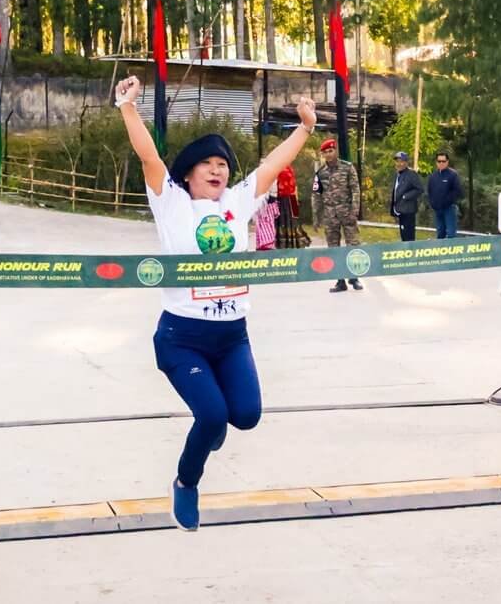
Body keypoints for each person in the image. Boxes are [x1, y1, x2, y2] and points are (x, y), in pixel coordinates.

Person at [113, 74, 318, 532]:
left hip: (232, 337)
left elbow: (272, 165)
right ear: (187, 174)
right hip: (182, 337)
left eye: (222, 163)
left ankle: (215, 426)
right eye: (206, 163)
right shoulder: (172, 204)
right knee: (211, 415)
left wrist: (305, 127)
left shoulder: (237, 202)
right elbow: (149, 156)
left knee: (245, 416)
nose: (216, 170)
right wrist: (128, 106)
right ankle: (186, 482)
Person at [313, 138, 362, 292]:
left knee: (353, 245)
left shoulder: (347, 168)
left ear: (336, 151)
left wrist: (355, 211)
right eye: (325, 152)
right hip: (330, 215)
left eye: (331, 151)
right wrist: (316, 217)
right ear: (323, 154)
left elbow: (355, 190)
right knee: (333, 248)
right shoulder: (320, 173)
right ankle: (340, 281)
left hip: (347, 212)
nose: (328, 154)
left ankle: (354, 277)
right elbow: (316, 195)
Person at [427, 151, 463, 239]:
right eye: (439, 161)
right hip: (437, 209)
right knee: (440, 233)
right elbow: (429, 191)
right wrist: (433, 204)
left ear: (447, 162)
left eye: (443, 161)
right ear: (436, 162)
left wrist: (448, 202)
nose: (441, 163)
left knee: (451, 234)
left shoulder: (453, 175)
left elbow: (457, 191)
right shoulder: (433, 176)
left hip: (449, 209)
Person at [389, 150, 423, 242]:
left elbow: (419, 189)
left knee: (409, 237)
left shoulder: (411, 174)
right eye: (397, 161)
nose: (399, 164)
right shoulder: (397, 175)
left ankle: (410, 250)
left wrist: (406, 196)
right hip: (400, 210)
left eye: (401, 161)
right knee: (403, 236)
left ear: (406, 163)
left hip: (408, 211)